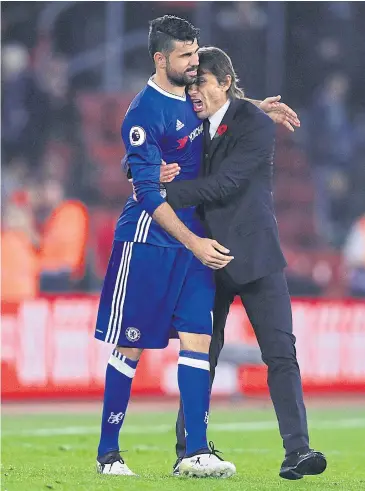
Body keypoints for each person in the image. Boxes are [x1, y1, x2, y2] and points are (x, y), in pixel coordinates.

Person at [158, 47, 327, 480]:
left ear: (225, 83)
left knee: (280, 355)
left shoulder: (255, 125)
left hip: (254, 256)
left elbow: (229, 183)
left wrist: (161, 196)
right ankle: (189, 449)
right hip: (206, 259)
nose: (194, 91)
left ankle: (298, 452)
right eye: (192, 83)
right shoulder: (195, 122)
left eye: (202, 83)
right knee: (201, 356)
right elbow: (163, 113)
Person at [94, 15, 236, 478]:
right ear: (161, 59)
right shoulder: (143, 114)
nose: (195, 63)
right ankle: (108, 454)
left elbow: (220, 99)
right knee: (129, 348)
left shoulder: (194, 97)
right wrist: (196, 242)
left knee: (198, 338)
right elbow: (148, 196)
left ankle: (195, 450)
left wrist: (255, 108)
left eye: (196, 54)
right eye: (186, 56)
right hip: (149, 243)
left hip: (191, 243)